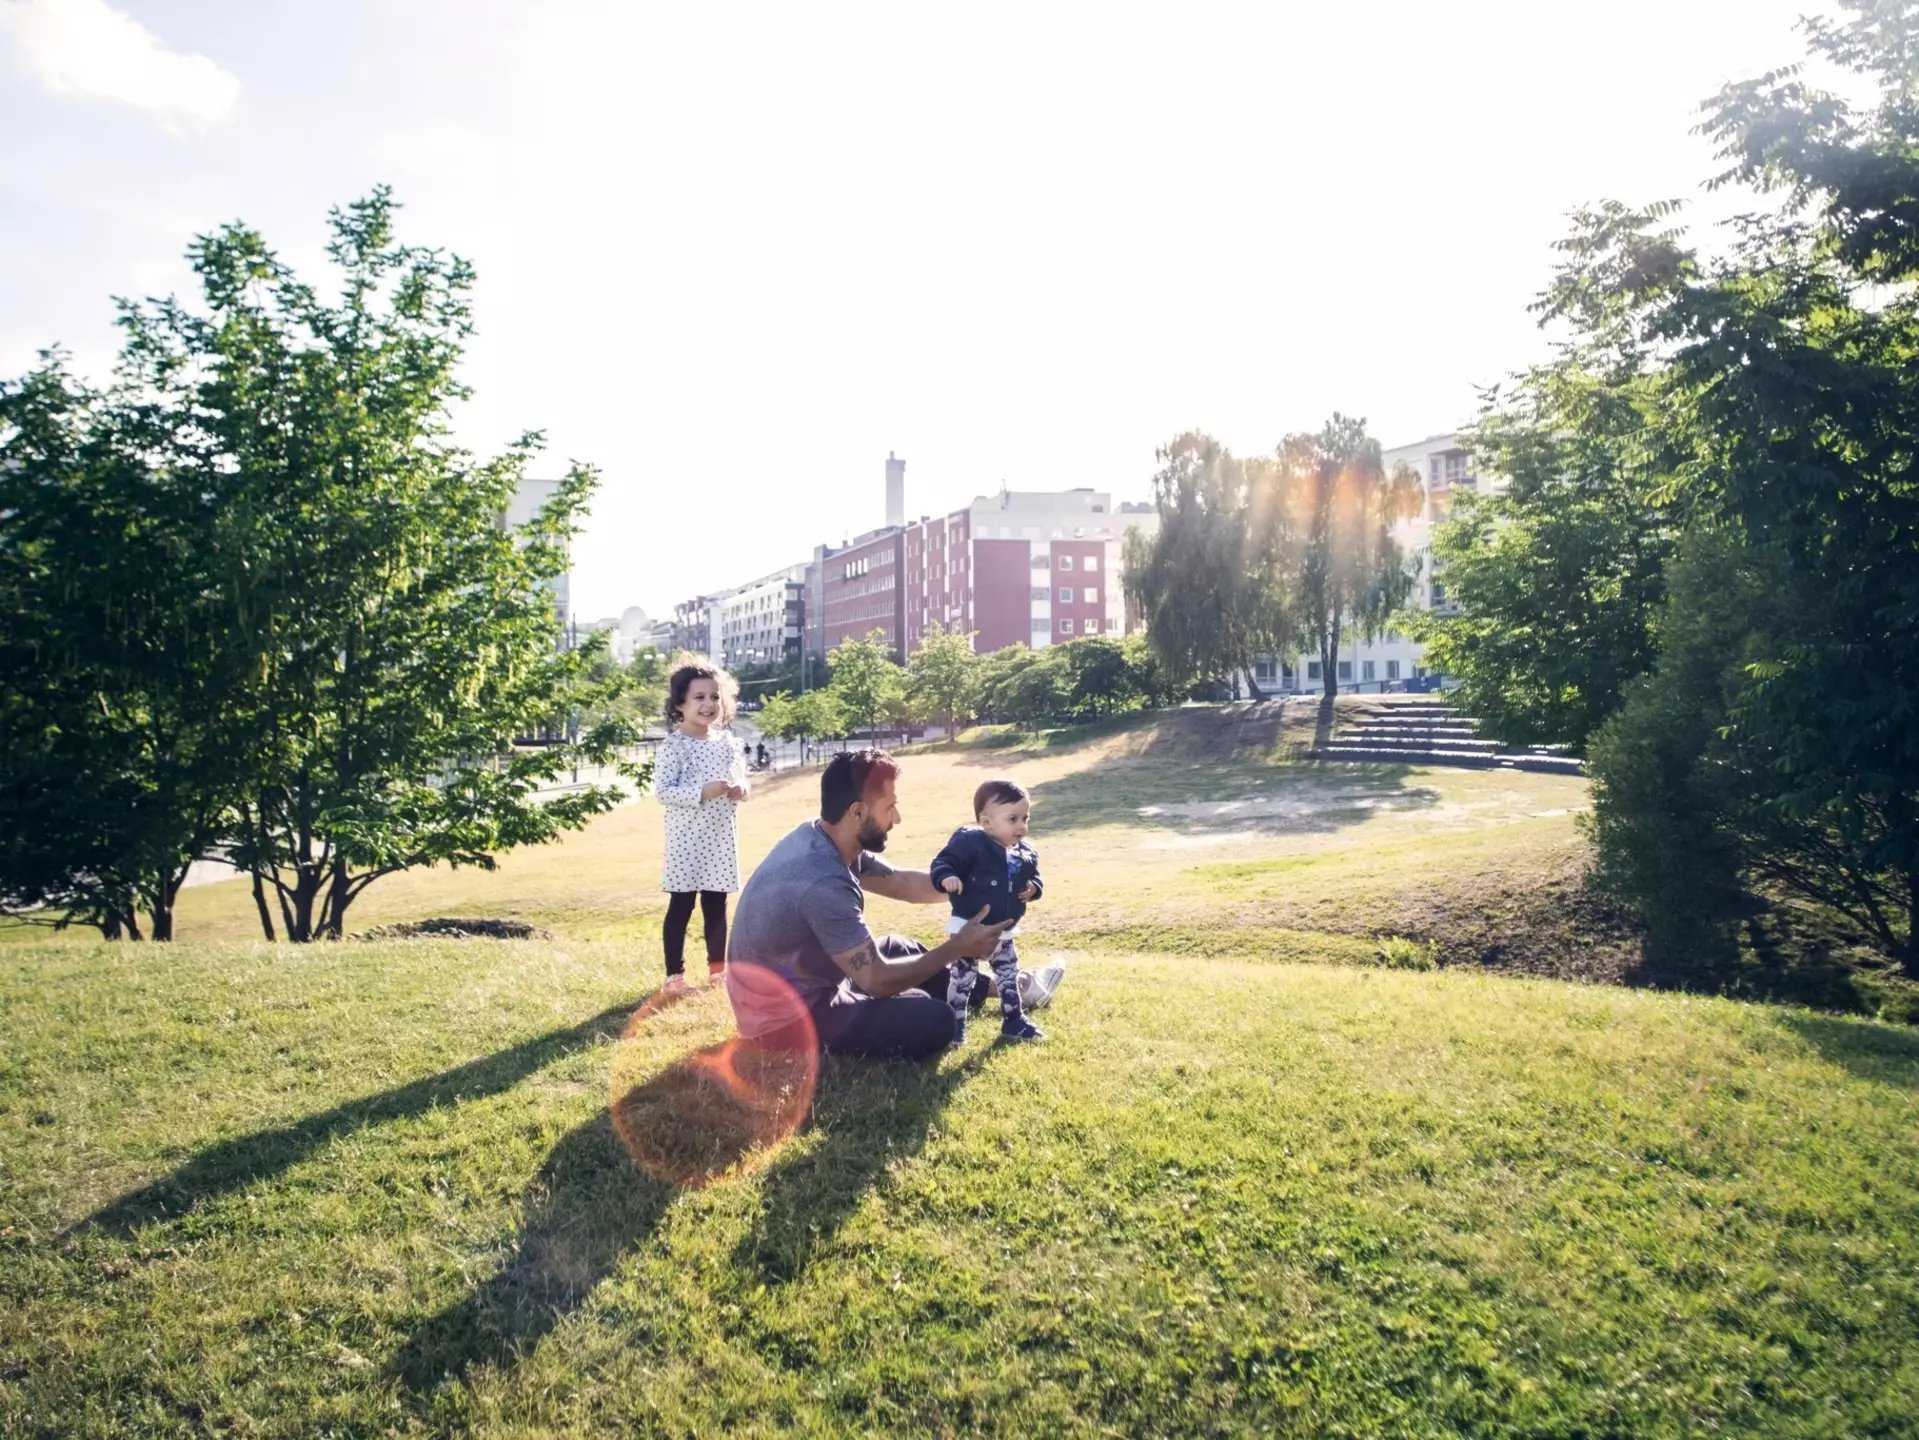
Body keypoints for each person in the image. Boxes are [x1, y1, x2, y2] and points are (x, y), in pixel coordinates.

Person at [725, 748, 1012, 1058]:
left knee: (900, 948)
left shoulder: (825, 836)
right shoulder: (823, 881)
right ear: (858, 812)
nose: (897, 819)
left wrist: (978, 887)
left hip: (809, 985)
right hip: (784, 1022)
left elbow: (902, 882)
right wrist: (957, 948)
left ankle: (1009, 988)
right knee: (935, 1020)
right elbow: (875, 980)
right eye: (889, 808)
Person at [654, 659, 749, 992]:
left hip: (720, 840)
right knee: (681, 906)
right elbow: (663, 792)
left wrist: (740, 791)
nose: (708, 704)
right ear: (680, 703)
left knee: (716, 906)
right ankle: (674, 978)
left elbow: (743, 784)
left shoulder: (727, 744)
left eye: (714, 697)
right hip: (686, 841)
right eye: (699, 697)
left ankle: (717, 973)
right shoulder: (674, 746)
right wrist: (701, 792)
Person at [931, 779, 1045, 1044]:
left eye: (1025, 818)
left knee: (1008, 977)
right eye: (1013, 819)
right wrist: (946, 876)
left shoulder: (1025, 852)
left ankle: (1013, 1020)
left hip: (1003, 931)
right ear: (986, 822)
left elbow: (1034, 876)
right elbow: (944, 861)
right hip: (968, 930)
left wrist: (1034, 888)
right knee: (962, 980)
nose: (1021, 826)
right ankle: (954, 1025)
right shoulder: (970, 842)